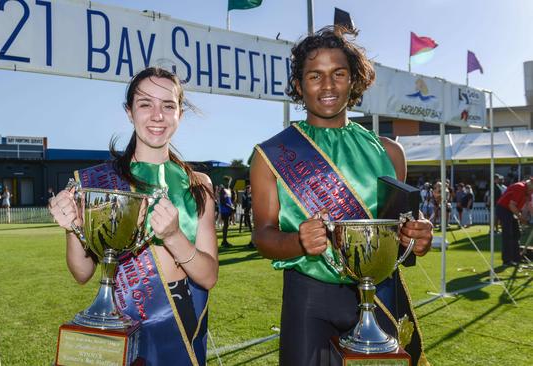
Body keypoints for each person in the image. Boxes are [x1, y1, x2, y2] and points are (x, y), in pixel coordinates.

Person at [250, 26, 433, 365]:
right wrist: (299, 242)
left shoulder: (390, 152)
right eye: (314, 76)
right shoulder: (271, 155)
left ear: (354, 79)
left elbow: (400, 227)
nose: (328, 85)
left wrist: (417, 235)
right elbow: (262, 236)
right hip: (309, 296)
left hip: (381, 293)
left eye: (338, 73)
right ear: (298, 85)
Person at [48, 67, 218, 365]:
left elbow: (208, 275)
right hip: (122, 316)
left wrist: (174, 236)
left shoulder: (199, 184)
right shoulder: (98, 183)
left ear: (180, 113)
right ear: (129, 112)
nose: (157, 115)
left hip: (182, 316)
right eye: (145, 104)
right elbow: (82, 273)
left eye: (168, 105)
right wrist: (73, 227)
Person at [496, 179, 533, 266]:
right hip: (503, 209)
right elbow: (511, 205)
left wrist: (528, 218)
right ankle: (507, 260)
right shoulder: (519, 187)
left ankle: (516, 258)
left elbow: (529, 205)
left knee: (517, 233)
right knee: (508, 234)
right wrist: (521, 218)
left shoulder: (529, 191)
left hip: (511, 210)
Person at [218, 176, 235, 247]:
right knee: (225, 225)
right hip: (225, 210)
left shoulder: (229, 190)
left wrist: (232, 206)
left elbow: (229, 201)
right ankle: (224, 241)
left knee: (226, 225)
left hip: (229, 210)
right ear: (225, 182)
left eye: (229, 181)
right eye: (227, 181)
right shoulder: (222, 190)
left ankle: (224, 241)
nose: (229, 183)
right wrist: (231, 207)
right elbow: (222, 202)